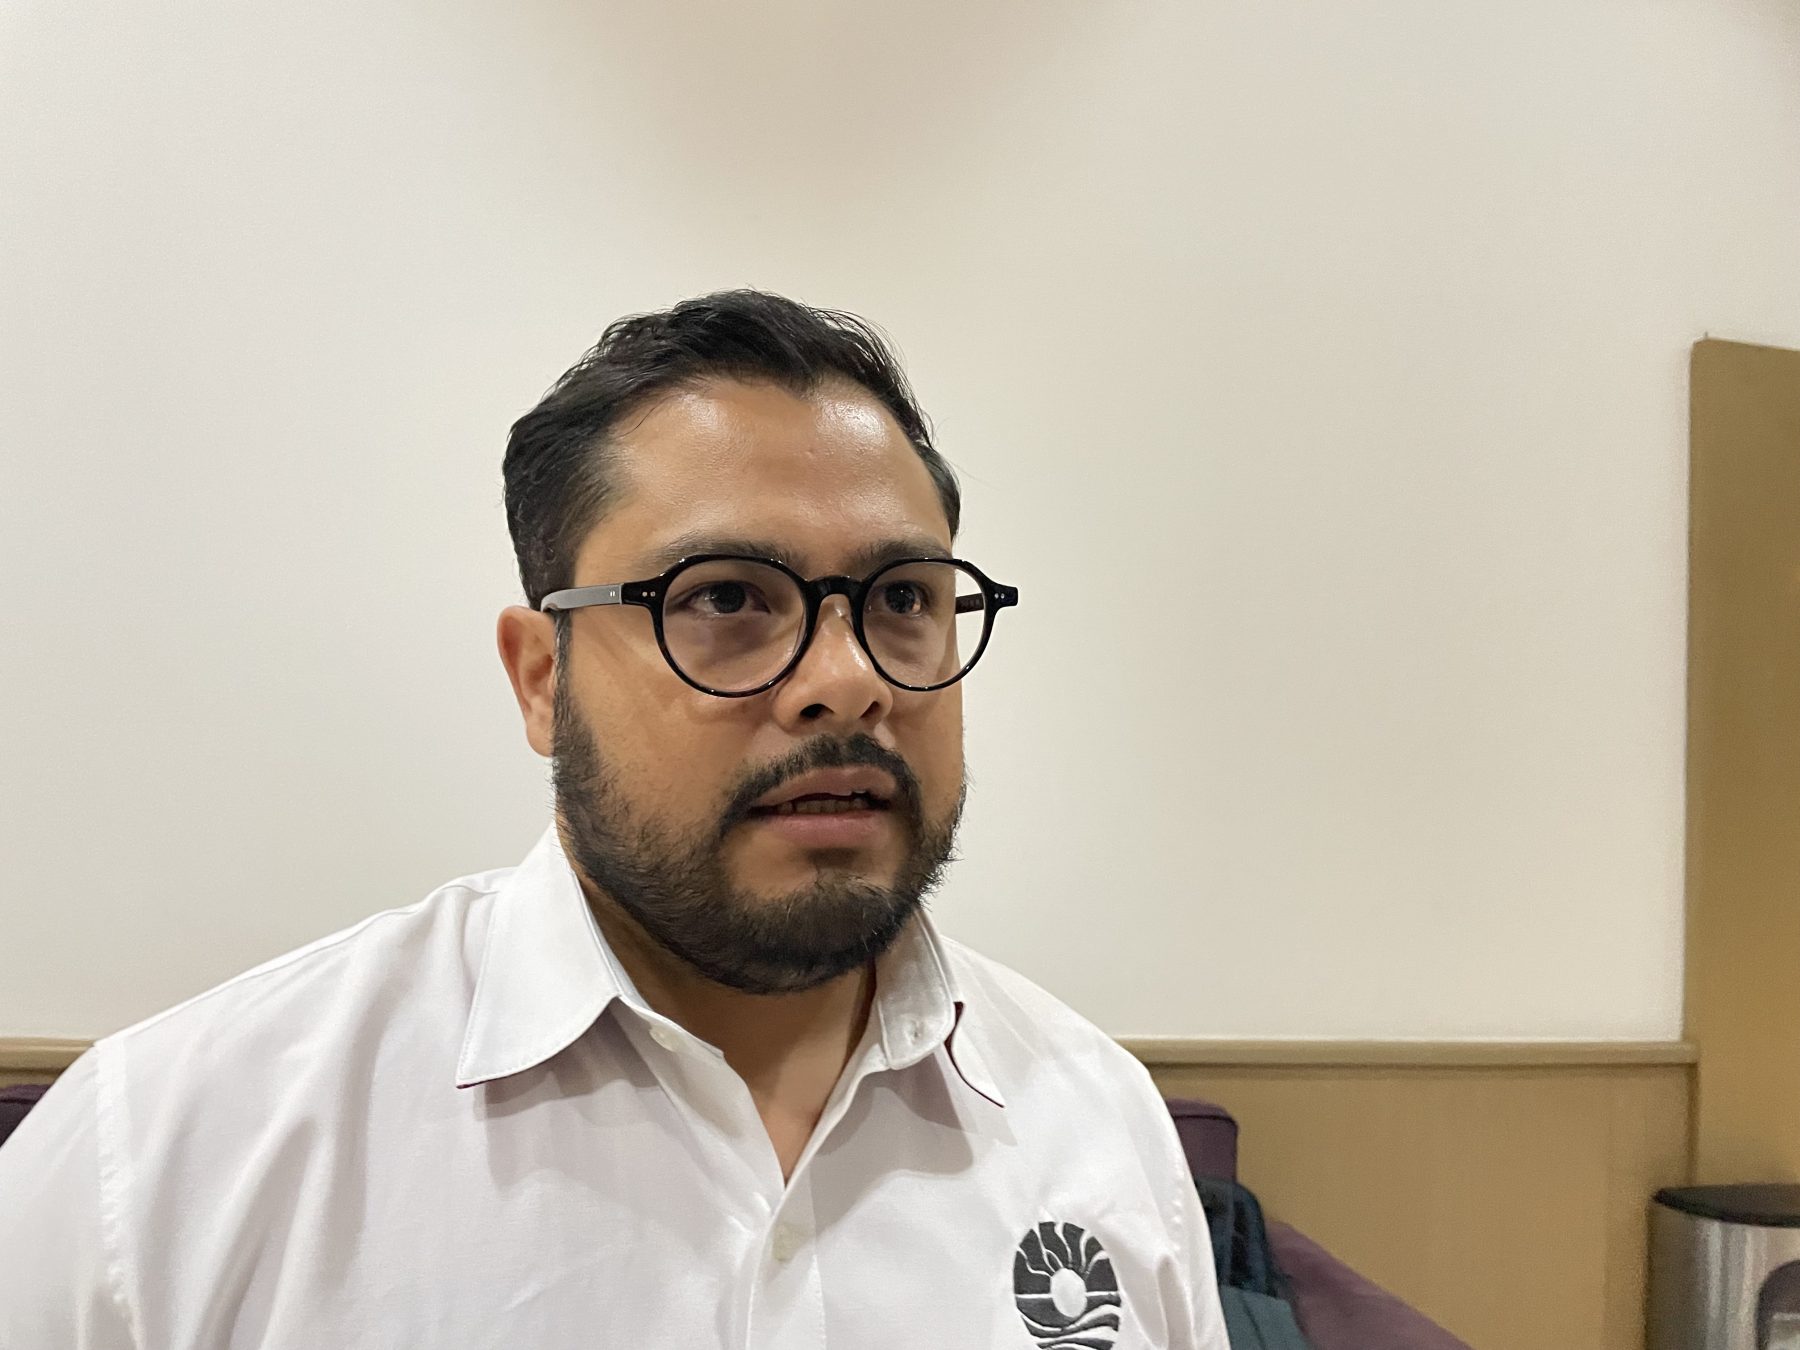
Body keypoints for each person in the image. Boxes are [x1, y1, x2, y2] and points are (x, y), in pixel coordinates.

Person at [0, 291, 1228, 1348]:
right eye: (728, 599)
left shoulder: (1095, 1122)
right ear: (543, 678)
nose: (846, 678)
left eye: (904, 598)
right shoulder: (163, 1160)